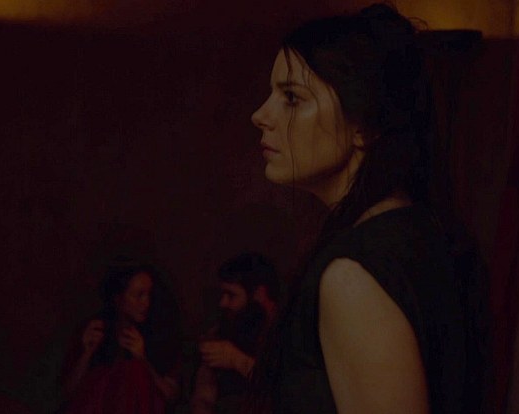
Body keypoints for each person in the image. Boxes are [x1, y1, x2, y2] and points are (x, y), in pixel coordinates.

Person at [246, 3, 487, 414]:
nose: (260, 116)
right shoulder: (422, 231)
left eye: (291, 98)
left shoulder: (354, 275)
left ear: (364, 125)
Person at [59, 259, 182, 414]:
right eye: (138, 295)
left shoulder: (159, 332)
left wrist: (143, 360)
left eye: (149, 295)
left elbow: (171, 396)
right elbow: (67, 395)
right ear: (118, 298)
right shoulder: (96, 329)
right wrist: (87, 353)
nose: (146, 303)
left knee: (134, 370)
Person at [191, 252, 281, 414]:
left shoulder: (286, 332)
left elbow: (286, 389)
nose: (223, 303)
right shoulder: (225, 329)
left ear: (259, 294)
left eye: (231, 295)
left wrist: (237, 360)